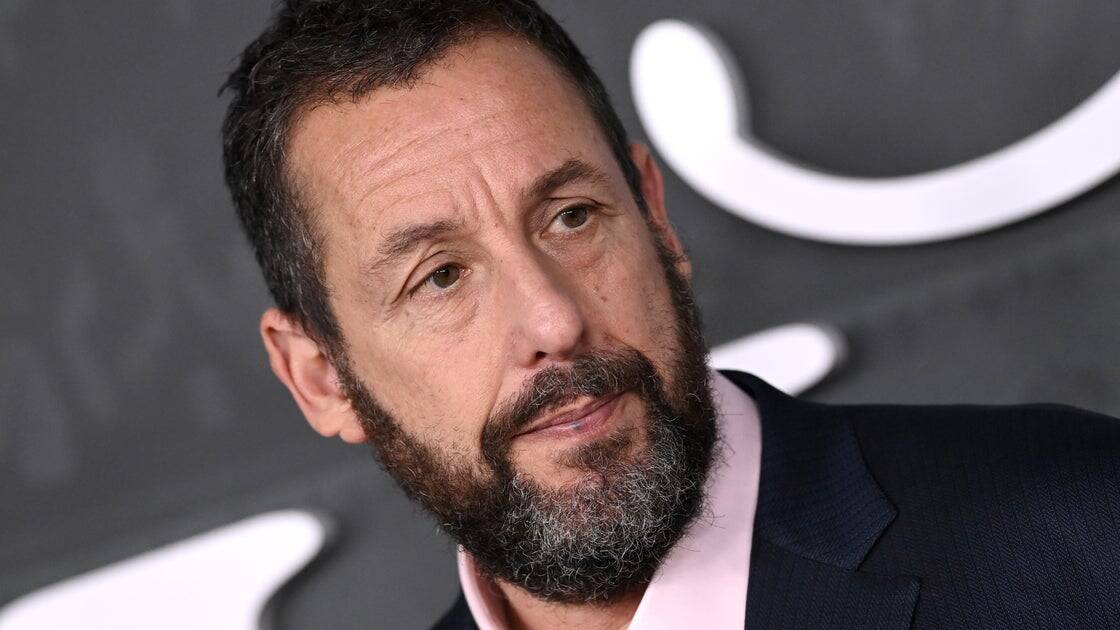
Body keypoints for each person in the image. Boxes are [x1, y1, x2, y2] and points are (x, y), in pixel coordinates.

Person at [220, 1, 1120, 628]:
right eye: (442, 277)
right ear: (321, 378)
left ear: (653, 214)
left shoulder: (1080, 528)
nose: (553, 322)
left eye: (572, 218)